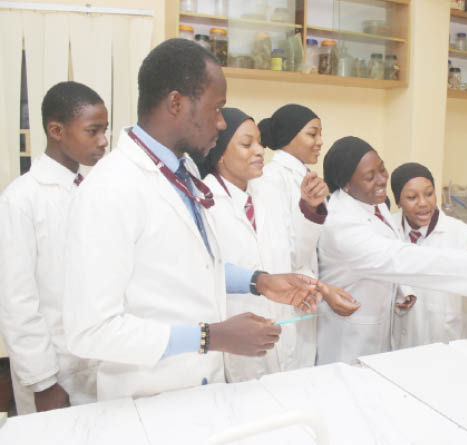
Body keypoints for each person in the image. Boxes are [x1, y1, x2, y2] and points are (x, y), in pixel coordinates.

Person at [62, 38, 323, 401]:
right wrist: (210, 336)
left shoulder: (181, 171)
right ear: (176, 103)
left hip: (201, 389)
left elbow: (191, 267)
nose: (220, 123)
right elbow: (89, 330)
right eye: (216, 109)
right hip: (148, 397)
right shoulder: (110, 188)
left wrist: (259, 281)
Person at [317, 136, 467, 365]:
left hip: (393, 335)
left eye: (382, 169)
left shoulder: (373, 205)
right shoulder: (341, 225)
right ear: (347, 184)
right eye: (370, 176)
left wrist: (402, 291)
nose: (381, 180)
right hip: (349, 340)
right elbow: (399, 258)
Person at [199, 108, 359, 382]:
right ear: (221, 153)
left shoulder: (267, 194)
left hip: (283, 328)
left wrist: (309, 210)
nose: (260, 151)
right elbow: (204, 274)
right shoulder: (205, 202)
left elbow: (295, 256)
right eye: (247, 144)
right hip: (236, 341)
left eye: (260, 142)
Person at [0, 81, 109, 413]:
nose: (104, 141)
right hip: (57, 371)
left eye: (105, 130)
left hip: (101, 361)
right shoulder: (21, 200)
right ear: (56, 130)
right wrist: (43, 382)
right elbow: (16, 301)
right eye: (93, 131)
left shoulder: (94, 189)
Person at [389, 162, 467, 349]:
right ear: (398, 201)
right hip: (401, 343)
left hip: (451, 342)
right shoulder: (388, 231)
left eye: (429, 193)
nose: (423, 203)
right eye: (412, 197)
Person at [258, 104, 328, 276]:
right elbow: (287, 255)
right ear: (288, 136)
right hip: (286, 286)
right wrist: (311, 211)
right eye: (312, 134)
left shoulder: (305, 175)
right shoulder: (271, 178)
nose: (320, 141)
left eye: (320, 134)